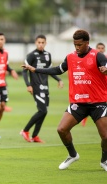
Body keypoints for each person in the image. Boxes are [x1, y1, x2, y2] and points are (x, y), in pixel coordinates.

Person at [22, 29, 107, 171]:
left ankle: (104, 160)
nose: (77, 47)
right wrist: (35, 70)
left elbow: (106, 66)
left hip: (98, 102)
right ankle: (72, 155)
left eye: (79, 44)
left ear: (87, 43)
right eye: (75, 44)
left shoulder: (98, 56)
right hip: (78, 103)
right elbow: (57, 70)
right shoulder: (70, 57)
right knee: (62, 129)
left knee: (105, 135)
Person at [20, 34, 63, 143]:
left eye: (42, 42)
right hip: (36, 86)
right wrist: (28, 85)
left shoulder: (48, 55)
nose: (40, 44)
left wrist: (59, 79)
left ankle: (35, 136)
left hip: (45, 87)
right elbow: (24, 71)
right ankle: (25, 131)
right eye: (38, 42)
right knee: (42, 110)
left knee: (44, 111)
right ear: (35, 43)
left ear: (45, 43)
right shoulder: (31, 55)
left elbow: (50, 71)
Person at [81, 42, 107, 127]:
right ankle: (85, 117)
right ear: (96, 49)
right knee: (92, 104)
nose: (100, 49)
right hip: (97, 87)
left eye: (102, 48)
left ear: (104, 49)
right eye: (98, 48)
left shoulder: (105, 60)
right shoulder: (92, 60)